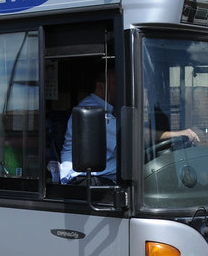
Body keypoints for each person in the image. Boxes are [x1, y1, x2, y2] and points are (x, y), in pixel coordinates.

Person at [59, 65, 198, 184]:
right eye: (115, 83)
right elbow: (135, 135)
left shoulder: (107, 109)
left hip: (104, 173)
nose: (120, 88)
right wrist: (179, 133)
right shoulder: (92, 109)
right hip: (82, 178)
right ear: (100, 86)